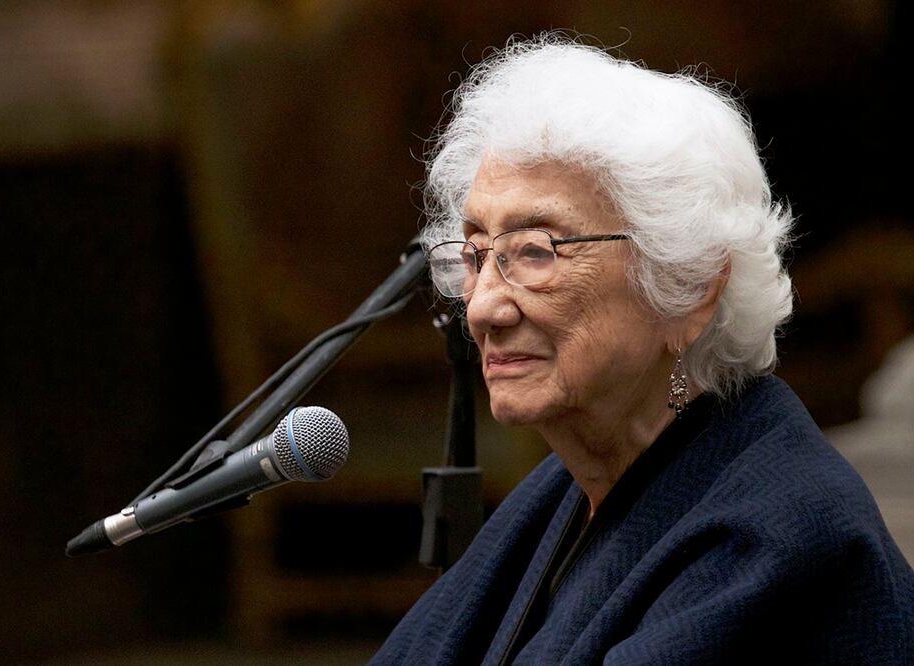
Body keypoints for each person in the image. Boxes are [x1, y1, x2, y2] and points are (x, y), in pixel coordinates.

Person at [372, 34, 914, 665]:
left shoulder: (775, 532)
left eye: (537, 252)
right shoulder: (574, 484)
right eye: (475, 256)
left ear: (688, 286)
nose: (485, 306)